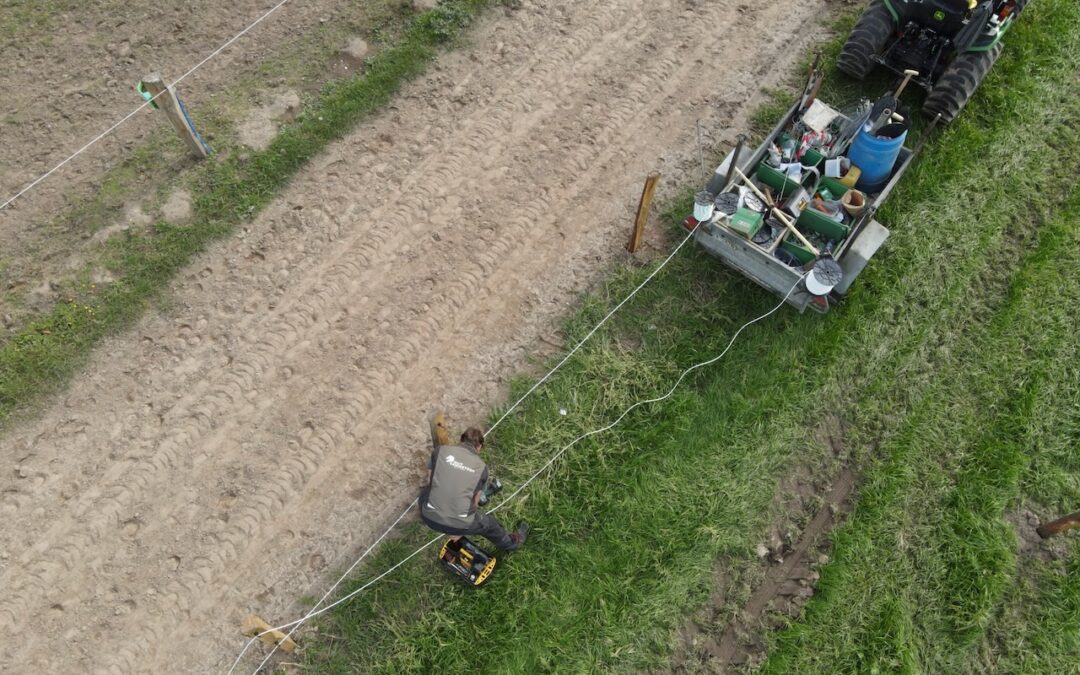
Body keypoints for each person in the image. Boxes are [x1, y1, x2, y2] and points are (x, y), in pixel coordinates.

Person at [420, 416, 528, 551]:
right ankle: (510, 544)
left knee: (426, 492)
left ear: (461, 440)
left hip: (427, 515)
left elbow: (430, 480)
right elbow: (475, 504)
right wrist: (458, 529)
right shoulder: (482, 468)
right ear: (479, 447)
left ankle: (449, 518)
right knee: (490, 525)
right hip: (458, 525)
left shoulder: (440, 451)